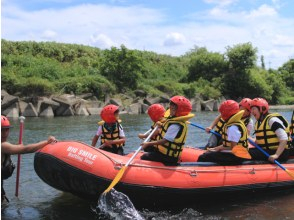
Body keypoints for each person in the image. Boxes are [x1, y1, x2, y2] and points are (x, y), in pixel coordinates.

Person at [1, 115, 56, 203]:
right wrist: (47, 142)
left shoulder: (4, 145)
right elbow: (26, 149)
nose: (4, 133)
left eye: (6, 129)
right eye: (1, 130)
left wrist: (19, 146)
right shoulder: (3, 146)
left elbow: (17, 148)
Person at [140, 96, 193, 165]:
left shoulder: (175, 125)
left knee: (145, 156)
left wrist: (148, 143)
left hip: (169, 157)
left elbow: (165, 141)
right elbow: (162, 127)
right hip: (163, 152)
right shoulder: (171, 120)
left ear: (180, 111)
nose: (170, 109)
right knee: (148, 148)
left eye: (173, 108)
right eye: (171, 107)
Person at [198, 100, 250, 165]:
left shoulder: (232, 128)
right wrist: (215, 148)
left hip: (237, 157)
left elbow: (233, 148)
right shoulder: (234, 124)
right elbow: (228, 145)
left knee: (203, 157)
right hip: (236, 154)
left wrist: (217, 149)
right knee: (209, 153)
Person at [249, 98, 290, 163]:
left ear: (262, 109)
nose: (251, 111)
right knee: (246, 151)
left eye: (253, 109)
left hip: (280, 153)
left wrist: (276, 155)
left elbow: (284, 138)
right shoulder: (259, 123)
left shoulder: (272, 120)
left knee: (247, 153)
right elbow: (259, 142)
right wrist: (246, 137)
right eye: (251, 109)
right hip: (268, 151)